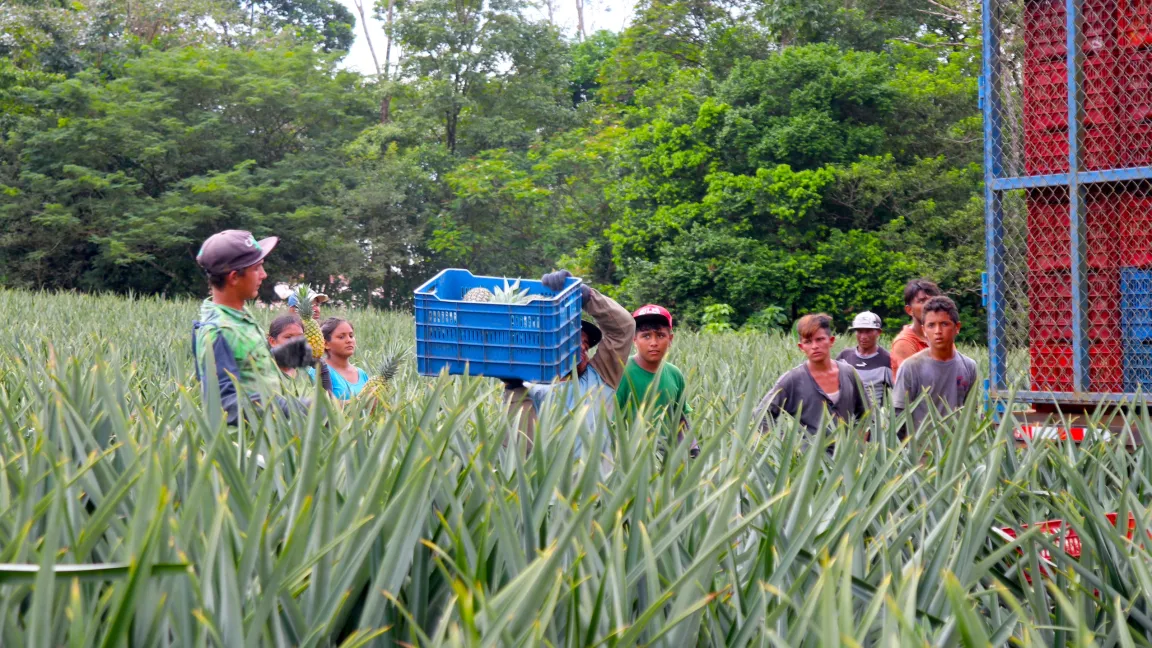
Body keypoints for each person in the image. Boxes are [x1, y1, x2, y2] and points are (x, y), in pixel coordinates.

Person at [504, 270, 635, 456]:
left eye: (586, 343)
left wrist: (586, 296)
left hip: (596, 482)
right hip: (546, 483)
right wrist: (513, 386)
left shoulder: (600, 379)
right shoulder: (529, 388)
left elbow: (623, 329)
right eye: (573, 339)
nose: (581, 347)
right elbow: (520, 448)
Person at [192, 229, 313, 424]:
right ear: (234, 278)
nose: (264, 275)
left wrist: (280, 357)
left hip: (268, 436)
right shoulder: (218, 331)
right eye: (257, 268)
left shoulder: (238, 315)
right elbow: (226, 404)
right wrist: (297, 408)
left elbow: (240, 366)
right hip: (245, 448)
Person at [754, 313, 869, 440]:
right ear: (801, 347)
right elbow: (761, 415)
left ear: (831, 341)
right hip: (806, 457)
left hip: (847, 456)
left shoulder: (849, 373)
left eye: (819, 339)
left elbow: (867, 413)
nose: (814, 346)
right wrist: (786, 446)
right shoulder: (792, 380)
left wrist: (859, 442)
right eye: (808, 342)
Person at [615, 304, 697, 457]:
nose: (653, 342)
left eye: (660, 335)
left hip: (669, 459)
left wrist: (693, 449)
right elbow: (611, 423)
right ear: (634, 339)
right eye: (646, 336)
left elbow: (680, 418)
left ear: (670, 339)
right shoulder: (621, 373)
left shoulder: (674, 373)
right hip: (632, 459)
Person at [892, 296, 978, 437]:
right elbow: (898, 415)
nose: (938, 331)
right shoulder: (911, 367)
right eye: (931, 325)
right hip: (921, 453)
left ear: (957, 327)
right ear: (924, 329)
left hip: (956, 451)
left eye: (944, 324)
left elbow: (971, 412)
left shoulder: (969, 366)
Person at [836, 311, 893, 407]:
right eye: (859, 331)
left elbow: (899, 393)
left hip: (874, 419)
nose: (863, 337)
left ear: (879, 332)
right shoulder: (844, 357)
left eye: (868, 331)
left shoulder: (887, 360)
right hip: (847, 418)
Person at [309, 317, 369, 400]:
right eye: (341, 337)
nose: (349, 340)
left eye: (351, 336)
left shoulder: (362, 374)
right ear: (325, 344)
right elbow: (322, 406)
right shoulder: (318, 371)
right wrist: (362, 403)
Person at [890, 279, 942, 373]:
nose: (929, 306)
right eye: (922, 301)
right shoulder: (904, 342)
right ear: (909, 310)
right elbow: (914, 382)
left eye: (932, 301)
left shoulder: (941, 336)